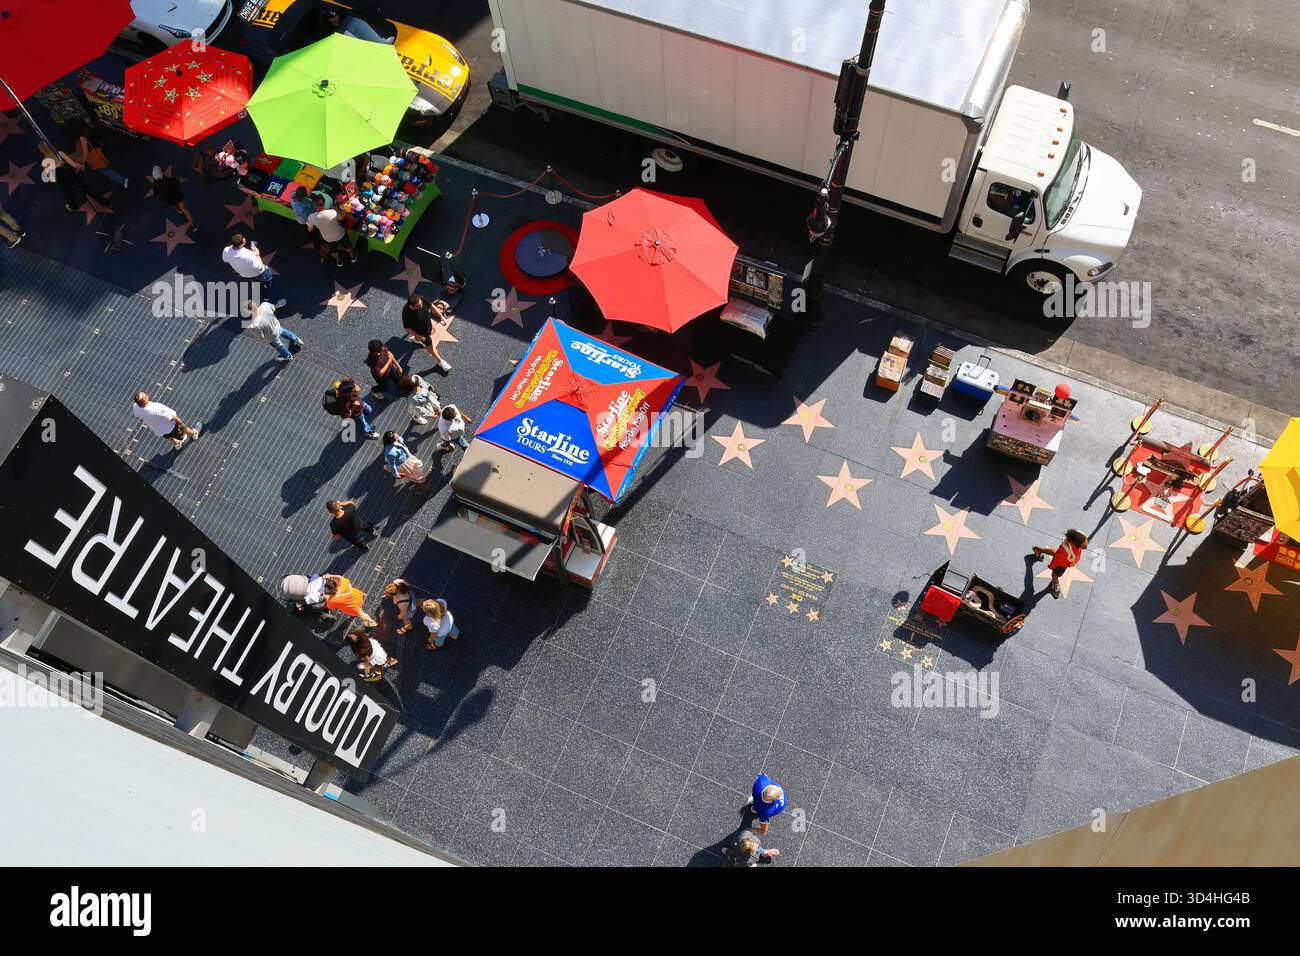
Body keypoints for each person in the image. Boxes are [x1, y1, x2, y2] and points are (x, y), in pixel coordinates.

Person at [38, 141, 112, 211]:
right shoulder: (60, 153)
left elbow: (51, 178)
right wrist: (80, 165)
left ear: (41, 151)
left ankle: (74, 207)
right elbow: (73, 164)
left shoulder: (45, 162)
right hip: (70, 174)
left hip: (61, 179)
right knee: (86, 189)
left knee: (68, 193)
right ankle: (106, 203)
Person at [222, 234, 284, 308]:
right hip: (261, 273)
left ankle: (266, 297)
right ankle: (275, 302)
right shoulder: (249, 255)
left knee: (259, 284)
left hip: (245, 275)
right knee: (270, 285)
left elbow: (225, 259)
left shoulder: (226, 250)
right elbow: (259, 267)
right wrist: (257, 255)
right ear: (242, 243)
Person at [1029, 528, 1089, 599]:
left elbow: (1058, 554)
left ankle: (1039, 550)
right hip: (1062, 564)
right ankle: (1055, 582)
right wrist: (1053, 567)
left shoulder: (1078, 537)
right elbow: (1057, 560)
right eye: (1083, 546)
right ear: (1076, 544)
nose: (1086, 546)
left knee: (1057, 552)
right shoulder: (1066, 554)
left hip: (1063, 555)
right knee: (1056, 574)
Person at [131, 391, 202, 449]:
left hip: (158, 430)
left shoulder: (135, 407)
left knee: (169, 437)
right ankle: (194, 434)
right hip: (171, 426)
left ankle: (177, 444)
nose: (146, 394)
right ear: (144, 401)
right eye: (145, 396)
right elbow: (168, 417)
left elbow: (137, 414)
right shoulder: (156, 408)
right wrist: (177, 420)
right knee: (183, 428)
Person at [401, 295, 453, 371]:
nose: (421, 306)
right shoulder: (406, 313)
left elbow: (432, 306)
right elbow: (407, 328)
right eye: (418, 306)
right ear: (411, 306)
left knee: (429, 332)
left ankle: (416, 340)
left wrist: (441, 316)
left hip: (427, 324)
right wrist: (418, 336)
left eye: (421, 303)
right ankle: (440, 361)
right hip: (421, 332)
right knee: (430, 347)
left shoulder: (421, 299)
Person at [72, 122, 128, 190]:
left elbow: (85, 152)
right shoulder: (88, 129)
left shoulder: (81, 137)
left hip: (93, 155)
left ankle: (123, 180)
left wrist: (83, 162)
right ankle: (114, 177)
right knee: (106, 166)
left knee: (104, 169)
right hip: (98, 150)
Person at [306, 194, 355, 266]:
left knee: (333, 251)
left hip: (328, 238)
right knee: (347, 246)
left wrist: (316, 225)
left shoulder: (311, 217)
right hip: (340, 234)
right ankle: (352, 257)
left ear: (315, 204)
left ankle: (339, 261)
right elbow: (340, 218)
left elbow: (310, 229)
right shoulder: (332, 212)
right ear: (324, 203)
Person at [151, 165, 196, 233]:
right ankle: (193, 225)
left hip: (168, 199)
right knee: (185, 209)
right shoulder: (169, 180)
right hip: (177, 196)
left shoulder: (155, 185)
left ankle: (178, 210)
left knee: (174, 204)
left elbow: (156, 193)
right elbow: (177, 182)